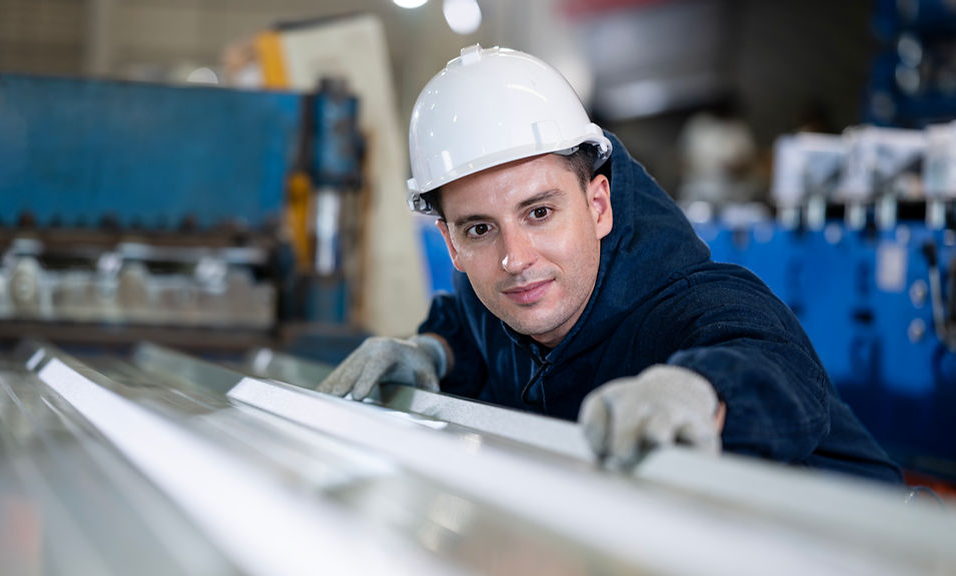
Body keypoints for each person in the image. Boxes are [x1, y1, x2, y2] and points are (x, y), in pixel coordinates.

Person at [319, 45, 902, 483]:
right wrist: (429, 354)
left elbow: (770, 362)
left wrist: (700, 390)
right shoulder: (492, 299)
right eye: (479, 228)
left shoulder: (695, 301)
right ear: (449, 241)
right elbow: (475, 335)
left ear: (597, 205)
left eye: (540, 212)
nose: (515, 258)